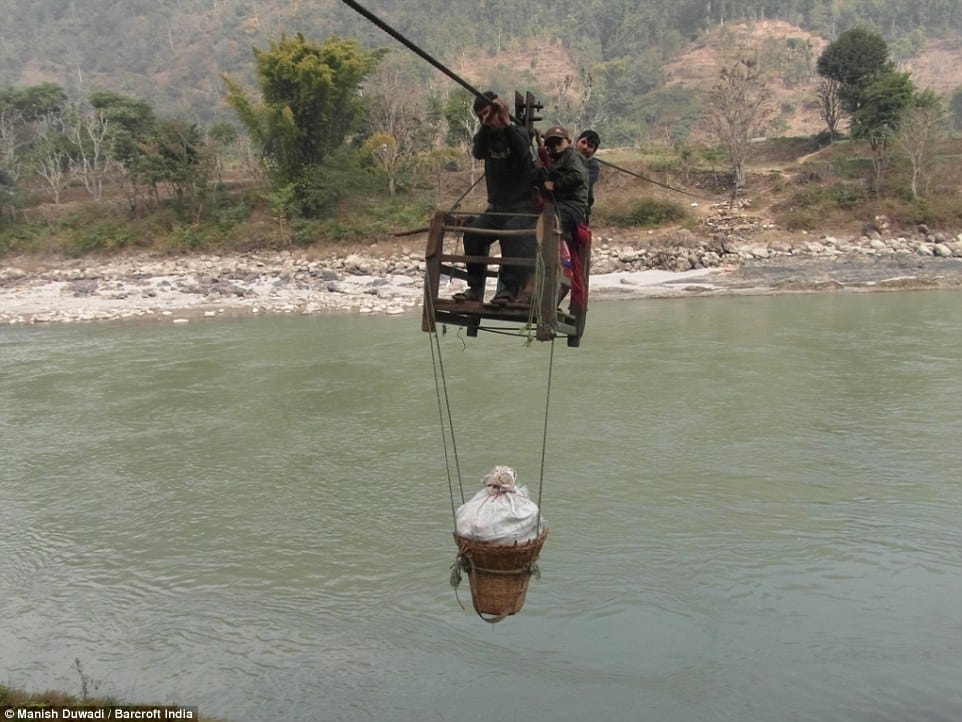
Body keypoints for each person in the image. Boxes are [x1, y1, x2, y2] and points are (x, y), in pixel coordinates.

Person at [453, 92, 539, 306]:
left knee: (511, 234)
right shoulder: (486, 137)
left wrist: (505, 120)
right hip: (497, 208)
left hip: (522, 207)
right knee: (473, 234)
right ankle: (474, 288)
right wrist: (487, 123)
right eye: (479, 116)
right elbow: (478, 152)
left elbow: (521, 150)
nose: (484, 119)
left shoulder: (519, 132)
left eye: (486, 114)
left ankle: (509, 289)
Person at [575, 129, 601, 221]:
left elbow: (582, 184)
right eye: (583, 142)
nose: (585, 147)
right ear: (577, 141)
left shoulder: (593, 166)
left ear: (594, 151)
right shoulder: (564, 158)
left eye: (590, 146)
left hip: (580, 209)